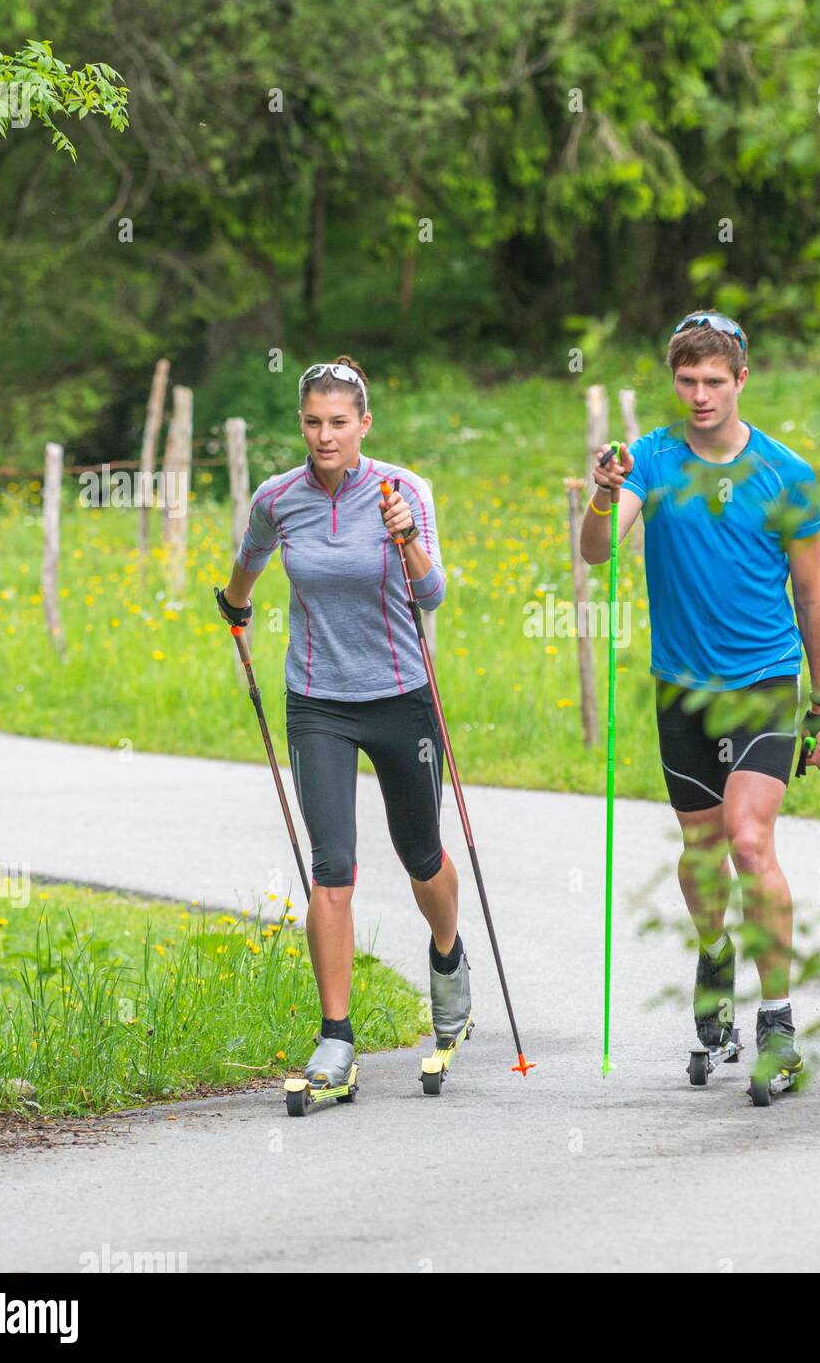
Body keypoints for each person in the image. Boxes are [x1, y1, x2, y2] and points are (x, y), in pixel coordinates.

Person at [580, 312, 820, 1085]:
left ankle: (778, 1023)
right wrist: (602, 496)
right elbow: (598, 553)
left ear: (741, 380)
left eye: (714, 381)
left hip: (764, 682)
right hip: (682, 690)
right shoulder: (652, 461)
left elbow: (813, 596)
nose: (700, 394)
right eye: (687, 380)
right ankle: (716, 954)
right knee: (703, 854)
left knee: (750, 843)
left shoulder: (785, 473)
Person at [215, 355, 470, 1091]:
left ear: (364, 423)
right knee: (331, 869)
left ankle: (448, 956)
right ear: (301, 425)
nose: (325, 436)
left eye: (338, 422)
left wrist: (405, 535)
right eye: (312, 423)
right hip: (317, 699)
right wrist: (235, 603)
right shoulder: (278, 497)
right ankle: (335, 1036)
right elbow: (251, 558)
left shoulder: (402, 490)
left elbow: (433, 592)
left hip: (400, 695)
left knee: (421, 854)